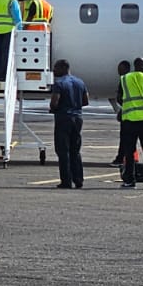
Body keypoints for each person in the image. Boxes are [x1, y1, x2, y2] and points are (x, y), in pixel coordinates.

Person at [49, 59, 89, 189]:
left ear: (63, 68)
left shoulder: (59, 83)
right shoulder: (80, 82)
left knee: (63, 150)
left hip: (63, 118)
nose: (54, 71)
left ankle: (66, 180)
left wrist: (54, 109)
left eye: (56, 68)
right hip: (77, 118)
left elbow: (55, 102)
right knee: (75, 150)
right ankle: (78, 179)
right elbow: (86, 101)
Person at [118, 57, 143, 190]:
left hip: (129, 120)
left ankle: (130, 180)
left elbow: (119, 98)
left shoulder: (124, 79)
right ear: (140, 66)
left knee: (129, 152)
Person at [108, 60, 130, 167]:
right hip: (139, 116)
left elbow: (120, 99)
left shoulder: (124, 80)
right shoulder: (134, 79)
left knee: (125, 139)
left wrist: (120, 110)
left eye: (120, 69)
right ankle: (129, 160)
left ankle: (121, 159)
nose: (118, 71)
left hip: (127, 114)